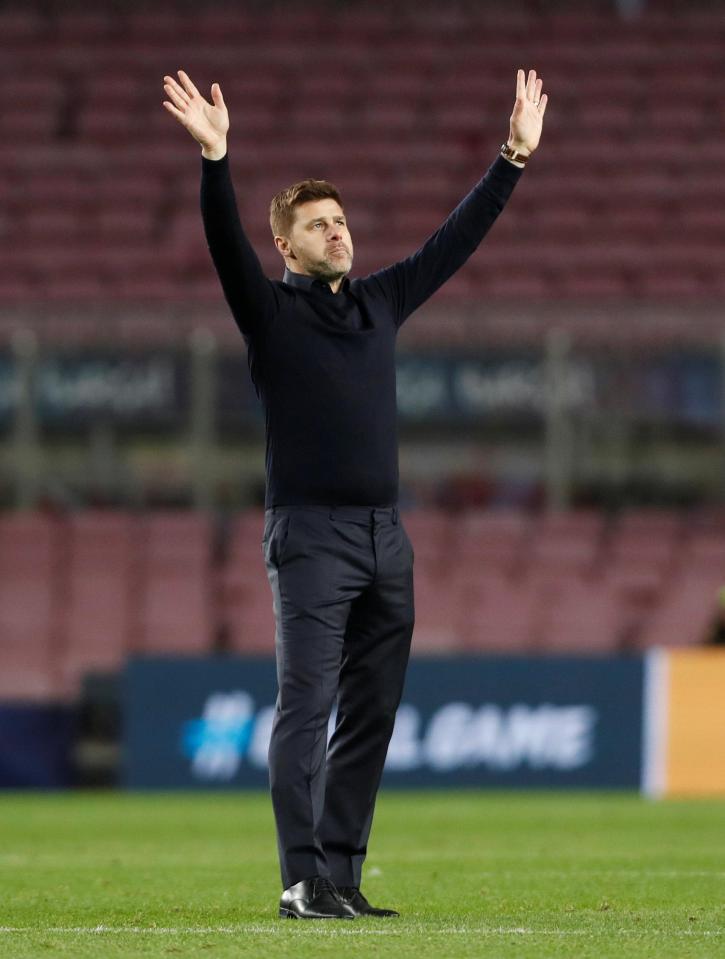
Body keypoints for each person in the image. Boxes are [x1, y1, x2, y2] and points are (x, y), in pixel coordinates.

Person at [162, 66, 547, 920]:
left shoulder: (381, 301)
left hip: (384, 536)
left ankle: (338, 873)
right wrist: (216, 161)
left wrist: (512, 159)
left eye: (339, 221)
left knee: (371, 712)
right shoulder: (269, 314)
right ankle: (299, 877)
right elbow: (225, 242)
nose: (337, 233)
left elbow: (454, 240)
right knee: (307, 705)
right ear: (288, 248)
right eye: (317, 226)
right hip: (308, 536)